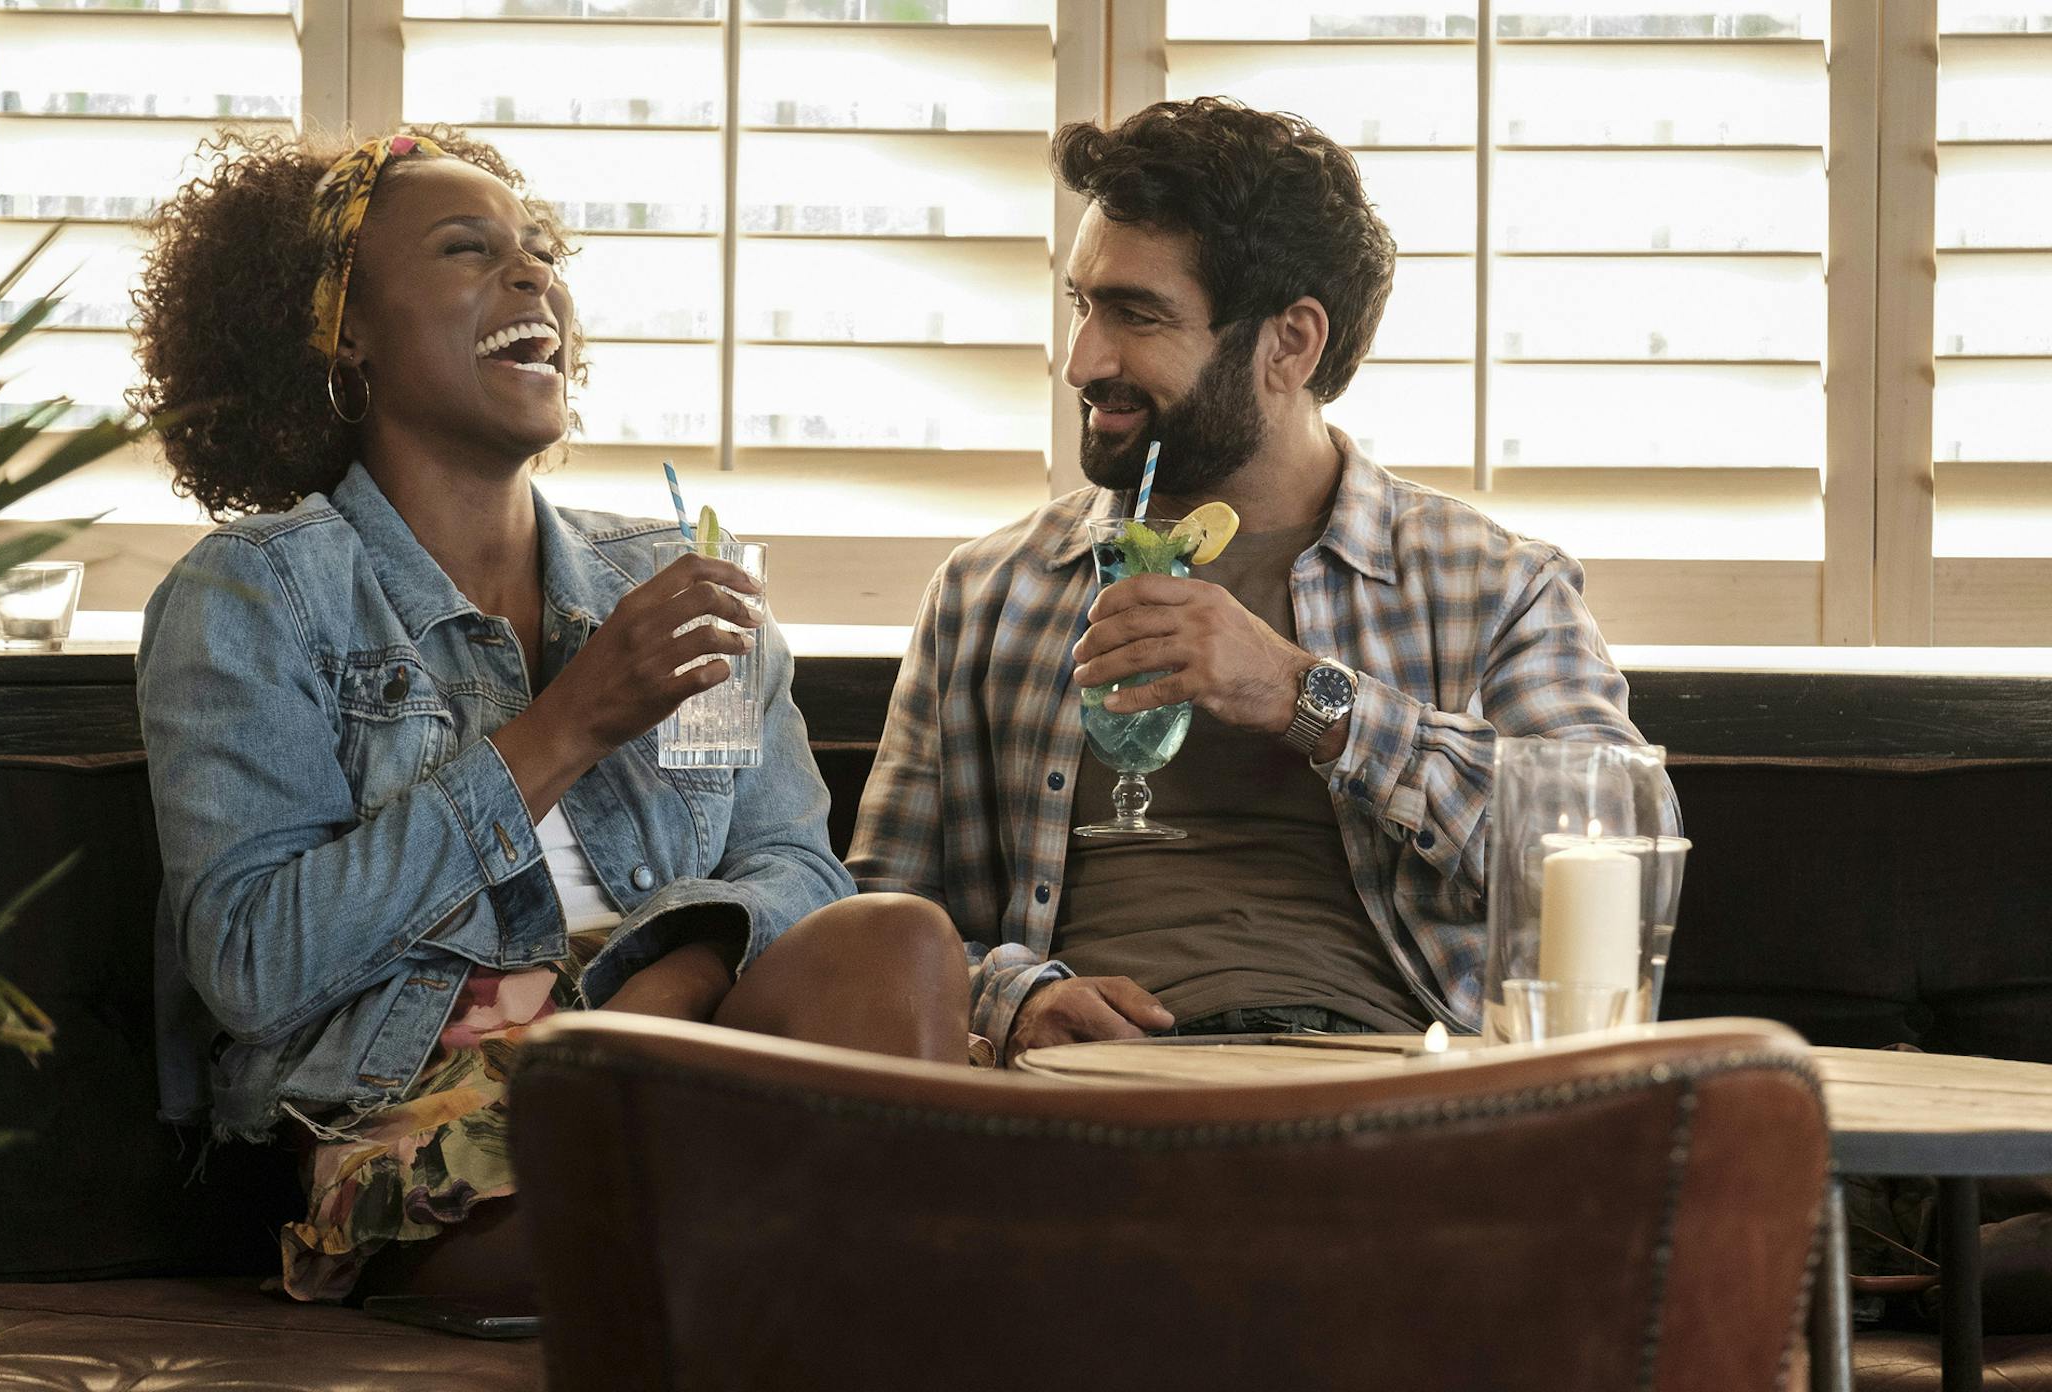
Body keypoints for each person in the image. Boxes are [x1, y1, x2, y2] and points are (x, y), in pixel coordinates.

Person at [131, 127, 967, 1305]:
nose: (532, 275)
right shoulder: (256, 593)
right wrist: (569, 723)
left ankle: (822, 1256)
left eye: (539, 252)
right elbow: (256, 965)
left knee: (900, 942)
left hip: (691, 1063)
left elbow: (796, 871)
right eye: (467, 249)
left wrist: (663, 991)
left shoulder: (675, 577)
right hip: (429, 1116)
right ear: (345, 328)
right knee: (806, 1211)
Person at [847, 97, 1671, 1064]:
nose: (1081, 361)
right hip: (1081, 1095)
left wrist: (1304, 696)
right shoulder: (988, 593)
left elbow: (1620, 845)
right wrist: (1014, 999)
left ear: (1290, 344)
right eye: (1081, 304)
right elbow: (877, 920)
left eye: (1136, 315)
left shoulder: (1491, 584)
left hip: (1386, 1088)